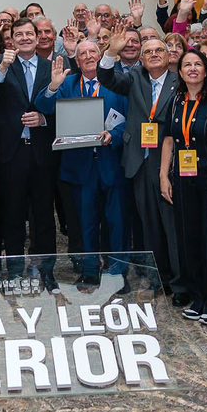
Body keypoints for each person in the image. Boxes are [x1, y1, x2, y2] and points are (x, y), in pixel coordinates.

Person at [99, 8, 180, 302]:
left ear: (169, 56)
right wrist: (111, 51)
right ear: (141, 59)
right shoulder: (134, 78)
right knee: (149, 226)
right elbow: (106, 77)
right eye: (149, 52)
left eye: (160, 50)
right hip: (140, 162)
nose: (154, 55)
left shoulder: (180, 81)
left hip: (170, 163)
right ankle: (157, 278)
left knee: (172, 226)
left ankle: (178, 282)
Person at [40, 40, 128, 292]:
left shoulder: (118, 82)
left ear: (100, 56)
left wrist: (115, 135)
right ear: (76, 61)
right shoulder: (68, 84)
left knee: (117, 222)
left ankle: (117, 273)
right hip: (79, 166)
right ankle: (89, 271)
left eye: (92, 52)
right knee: (85, 223)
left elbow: (131, 118)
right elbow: (43, 106)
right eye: (82, 54)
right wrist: (53, 86)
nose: (88, 56)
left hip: (112, 164)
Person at [159, 48, 207, 324]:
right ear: (180, 71)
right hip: (182, 176)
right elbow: (168, 139)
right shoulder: (175, 101)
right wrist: (164, 176)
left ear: (206, 70)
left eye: (197, 64)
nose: (192, 69)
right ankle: (198, 296)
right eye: (186, 65)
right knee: (188, 236)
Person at [0, 19, 57, 283]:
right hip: (11, 153)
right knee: (12, 214)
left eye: (29, 34)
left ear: (38, 38)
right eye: (19, 34)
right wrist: (3, 66)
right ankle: (15, 270)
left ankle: (46, 270)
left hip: (42, 152)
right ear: (11, 39)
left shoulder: (52, 67)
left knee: (44, 215)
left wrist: (44, 119)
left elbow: (61, 107)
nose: (25, 38)